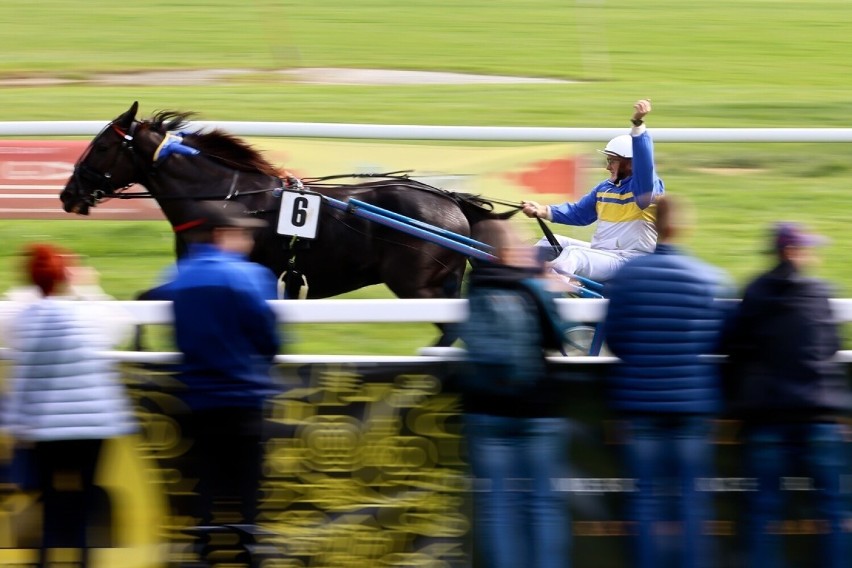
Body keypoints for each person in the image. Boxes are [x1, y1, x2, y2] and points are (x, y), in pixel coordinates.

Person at [602, 196, 729, 568]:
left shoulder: (627, 276)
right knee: (691, 499)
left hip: (639, 404)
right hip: (692, 405)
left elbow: (616, 339)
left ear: (655, 225)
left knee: (645, 499)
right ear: (684, 227)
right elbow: (717, 340)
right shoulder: (708, 278)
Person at [718, 222, 851, 568]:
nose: (812, 256)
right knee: (833, 510)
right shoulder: (819, 292)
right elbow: (832, 347)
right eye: (807, 249)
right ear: (791, 251)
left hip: (768, 418)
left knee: (763, 510)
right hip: (817, 416)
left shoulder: (756, 291)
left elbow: (734, 345)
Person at [160, 200, 282, 565]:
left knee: (206, 481)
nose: (248, 242)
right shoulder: (252, 277)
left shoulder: (178, 275)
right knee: (248, 484)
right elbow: (269, 340)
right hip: (246, 397)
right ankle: (247, 551)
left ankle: (203, 549)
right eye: (242, 234)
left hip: (198, 400)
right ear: (221, 234)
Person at [0, 243, 136, 568]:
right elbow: (122, 327)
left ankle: (47, 559)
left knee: (49, 498)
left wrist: (32, 289)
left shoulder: (23, 316)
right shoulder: (88, 313)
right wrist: (88, 287)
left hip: (46, 427)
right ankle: (84, 558)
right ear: (65, 277)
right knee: (85, 496)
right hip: (94, 425)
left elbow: (11, 325)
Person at [456, 220, 574, 568]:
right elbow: (560, 339)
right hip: (536, 407)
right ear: (508, 251)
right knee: (543, 503)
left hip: (485, 409)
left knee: (495, 505)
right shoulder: (531, 286)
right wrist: (551, 288)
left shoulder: (473, 288)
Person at [521, 99, 665, 284]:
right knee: (553, 240)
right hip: (603, 255)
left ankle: (552, 289)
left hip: (631, 262)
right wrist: (542, 210)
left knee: (574, 254)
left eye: (612, 161)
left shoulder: (646, 190)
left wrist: (638, 125)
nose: (607, 167)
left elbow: (645, 164)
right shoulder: (604, 188)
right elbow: (578, 213)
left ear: (630, 163)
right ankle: (517, 271)